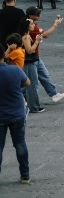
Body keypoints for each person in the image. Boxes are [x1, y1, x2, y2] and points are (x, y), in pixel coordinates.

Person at [20, 9, 64, 112]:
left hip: (34, 58)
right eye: (32, 24)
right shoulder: (26, 36)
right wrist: (37, 41)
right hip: (30, 61)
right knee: (32, 85)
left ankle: (52, 93)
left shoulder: (28, 33)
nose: (34, 25)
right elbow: (29, 50)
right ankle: (34, 107)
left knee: (42, 76)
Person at [0, 44, 30, 183]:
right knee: (19, 143)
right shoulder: (15, 69)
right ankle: (25, 175)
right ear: (3, 55)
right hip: (17, 113)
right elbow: (27, 83)